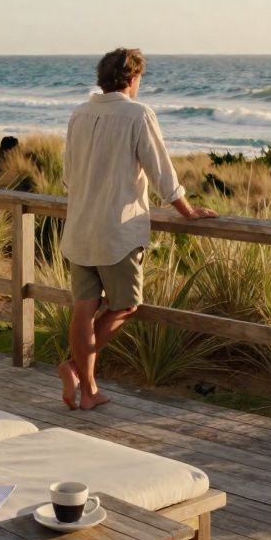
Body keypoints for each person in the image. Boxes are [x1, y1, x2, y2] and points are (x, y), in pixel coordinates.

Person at [58, 48, 217, 410]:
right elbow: (161, 171)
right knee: (127, 305)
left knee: (84, 308)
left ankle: (89, 391)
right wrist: (187, 210)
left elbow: (69, 176)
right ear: (132, 78)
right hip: (117, 230)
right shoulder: (138, 114)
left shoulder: (79, 114)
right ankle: (73, 369)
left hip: (80, 226)